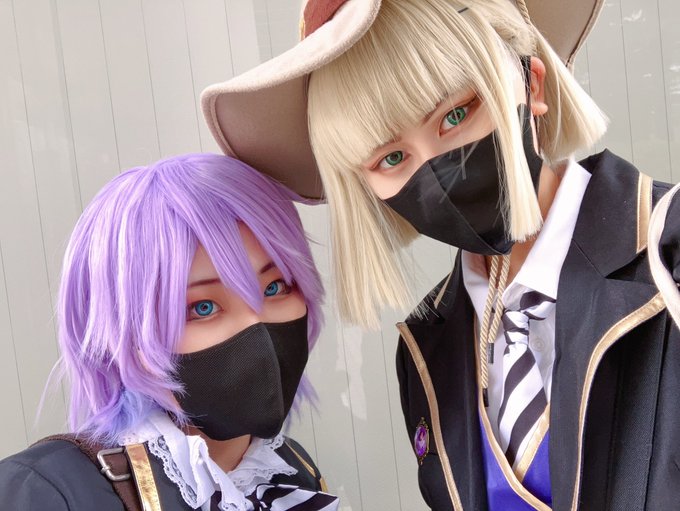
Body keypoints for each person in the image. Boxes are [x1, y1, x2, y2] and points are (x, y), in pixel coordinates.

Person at [201, 0, 680, 510]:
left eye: (456, 114)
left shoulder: (667, 254)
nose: (436, 168)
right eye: (391, 157)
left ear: (531, 85)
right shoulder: (427, 349)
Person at [0, 153, 339, 511]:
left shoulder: (293, 471)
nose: (257, 329)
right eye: (201, 307)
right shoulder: (46, 492)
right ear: (128, 336)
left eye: (275, 287)